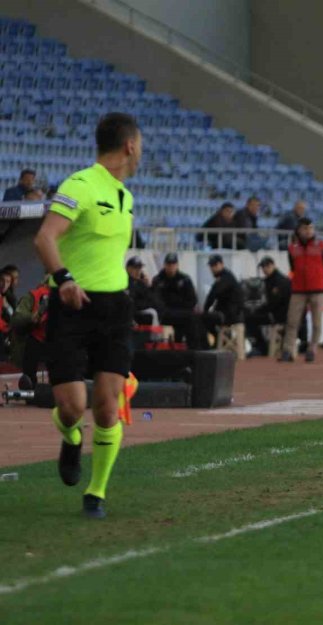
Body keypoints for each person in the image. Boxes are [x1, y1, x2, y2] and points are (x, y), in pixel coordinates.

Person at [33, 112, 142, 518]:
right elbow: (45, 237)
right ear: (130, 145)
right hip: (73, 306)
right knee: (71, 406)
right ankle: (70, 435)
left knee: (108, 407)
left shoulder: (126, 195)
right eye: (140, 144)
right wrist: (63, 279)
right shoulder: (79, 184)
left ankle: (96, 493)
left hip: (116, 308)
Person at [280, 218, 323, 363]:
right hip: (298, 289)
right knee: (292, 321)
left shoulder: (322, 245)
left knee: (316, 323)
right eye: (305, 228)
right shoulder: (292, 248)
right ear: (298, 230)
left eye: (310, 228)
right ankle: (288, 351)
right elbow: (293, 267)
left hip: (318, 289)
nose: (308, 231)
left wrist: (320, 279)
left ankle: (312, 350)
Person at [151, 253, 205, 349]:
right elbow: (157, 301)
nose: (171, 267)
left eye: (173, 264)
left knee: (196, 318)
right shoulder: (158, 280)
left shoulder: (185, 279)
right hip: (165, 314)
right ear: (165, 265)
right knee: (190, 318)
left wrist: (180, 306)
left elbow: (193, 300)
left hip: (182, 311)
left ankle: (199, 349)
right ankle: (195, 350)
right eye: (169, 264)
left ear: (177, 265)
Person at [243, 256, 290, 356]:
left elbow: (274, 303)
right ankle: (261, 345)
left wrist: (258, 310)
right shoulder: (271, 279)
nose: (264, 269)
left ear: (273, 265)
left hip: (280, 315)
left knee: (250, 319)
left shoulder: (279, 281)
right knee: (252, 316)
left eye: (267, 266)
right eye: (263, 267)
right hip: (277, 312)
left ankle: (261, 347)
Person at [9, 275, 51, 388]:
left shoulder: (66, 295)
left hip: (57, 340)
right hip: (35, 339)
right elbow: (17, 319)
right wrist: (33, 317)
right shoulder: (34, 295)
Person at [203, 254, 244, 340]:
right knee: (205, 319)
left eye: (215, 265)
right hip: (227, 312)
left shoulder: (225, 278)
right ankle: (220, 342)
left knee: (203, 320)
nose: (212, 268)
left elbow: (213, 295)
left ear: (221, 264)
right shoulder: (223, 277)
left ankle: (218, 342)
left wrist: (205, 310)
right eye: (211, 266)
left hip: (230, 314)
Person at [125, 256, 162, 326]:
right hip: (132, 313)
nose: (138, 271)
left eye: (140, 268)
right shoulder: (125, 282)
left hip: (140, 310)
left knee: (158, 306)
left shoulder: (140, 282)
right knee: (152, 313)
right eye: (135, 268)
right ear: (128, 269)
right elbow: (132, 301)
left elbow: (152, 298)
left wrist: (149, 286)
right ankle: (155, 336)